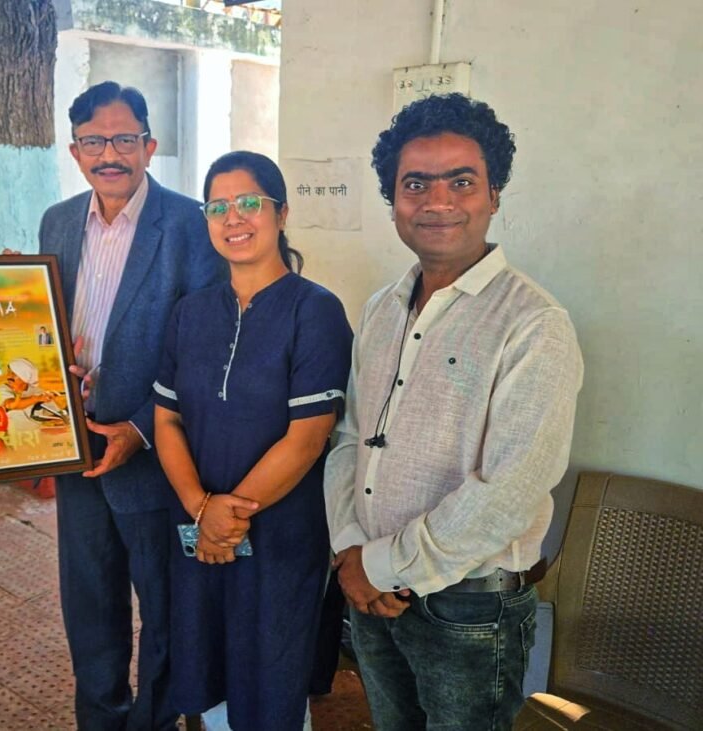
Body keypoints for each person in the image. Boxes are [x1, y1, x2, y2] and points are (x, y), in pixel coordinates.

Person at [324, 93, 583, 731]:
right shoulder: (382, 309)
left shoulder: (534, 324)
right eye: (415, 184)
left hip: (467, 612)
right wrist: (349, 548)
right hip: (370, 593)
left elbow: (509, 491)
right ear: (393, 200)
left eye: (461, 182)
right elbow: (351, 437)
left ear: (494, 195)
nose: (437, 201)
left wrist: (380, 565)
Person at [38, 80, 224, 730]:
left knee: (165, 613)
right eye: (93, 141)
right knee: (89, 608)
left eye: (123, 139)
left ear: (150, 144)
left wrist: (141, 429)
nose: (109, 154)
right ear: (74, 150)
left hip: (153, 456)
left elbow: (206, 350)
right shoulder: (57, 221)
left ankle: (155, 722)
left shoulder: (192, 226)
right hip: (75, 451)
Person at [154, 151, 352, 731]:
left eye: (248, 203)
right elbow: (167, 421)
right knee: (209, 664)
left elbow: (307, 438)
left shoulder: (315, 311)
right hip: (198, 530)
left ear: (281, 213)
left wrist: (226, 517)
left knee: (271, 678)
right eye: (217, 207)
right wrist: (201, 510)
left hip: (279, 537)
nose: (233, 218)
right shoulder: (190, 314)